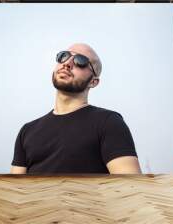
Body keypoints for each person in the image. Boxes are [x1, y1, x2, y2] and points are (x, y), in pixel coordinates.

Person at [11, 43, 141, 174]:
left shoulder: (109, 122)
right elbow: (14, 190)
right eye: (63, 56)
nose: (67, 63)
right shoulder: (27, 131)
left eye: (80, 61)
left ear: (93, 81)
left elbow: (130, 188)